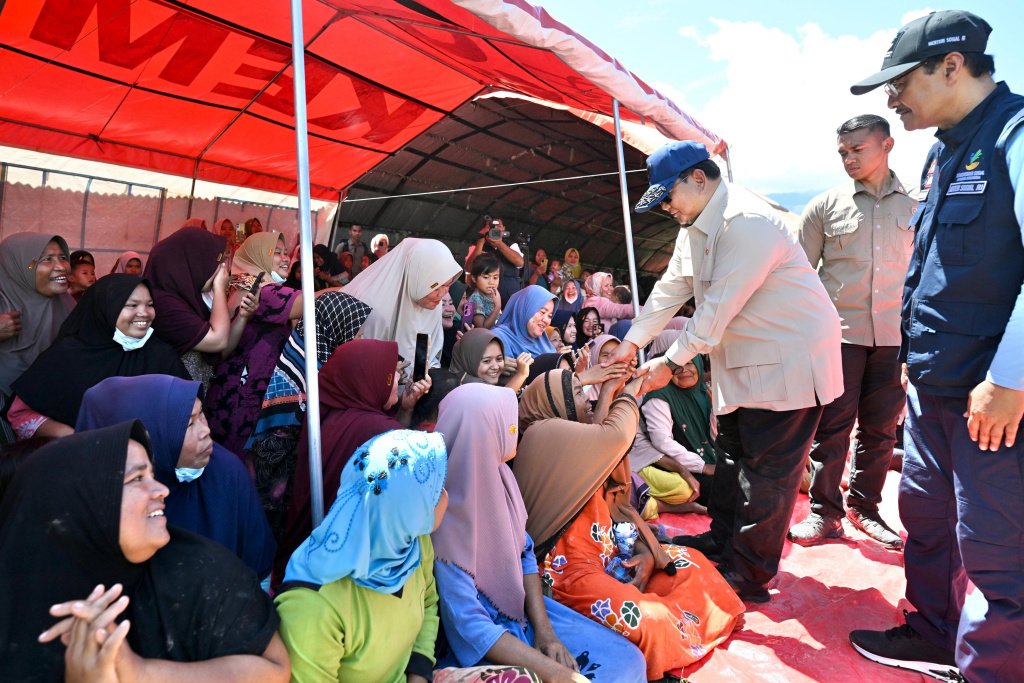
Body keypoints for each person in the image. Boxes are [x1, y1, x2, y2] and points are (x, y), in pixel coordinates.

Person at [845, 11, 1024, 682]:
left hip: (992, 399)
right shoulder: (943, 151)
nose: (893, 99)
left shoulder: (1014, 136)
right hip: (932, 386)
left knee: (997, 553)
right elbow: (934, 269)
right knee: (926, 517)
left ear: (951, 66)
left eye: (901, 82)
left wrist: (1012, 378)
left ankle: (993, 670)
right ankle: (933, 634)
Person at [606, 140, 843, 604]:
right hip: (744, 364)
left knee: (767, 476)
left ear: (698, 179)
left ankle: (750, 574)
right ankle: (723, 540)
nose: (667, 208)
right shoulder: (695, 225)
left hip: (788, 365)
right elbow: (670, 289)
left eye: (668, 197)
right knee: (732, 460)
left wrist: (668, 363)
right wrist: (632, 343)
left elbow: (713, 312)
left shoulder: (745, 222)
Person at [0, 421, 289, 682]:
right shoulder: (17, 602)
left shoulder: (202, 569)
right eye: (137, 479)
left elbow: (274, 670)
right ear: (82, 504)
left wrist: (140, 673)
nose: (162, 489)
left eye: (151, 474)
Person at [431, 384, 647, 682]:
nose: (514, 429)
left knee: (628, 661)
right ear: (483, 432)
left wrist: (546, 633)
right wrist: (554, 672)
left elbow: (525, 553)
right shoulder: (440, 516)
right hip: (485, 643)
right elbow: (470, 627)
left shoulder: (500, 477)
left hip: (524, 611)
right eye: (505, 423)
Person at [787, 115, 917, 550]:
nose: (849, 159)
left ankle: (865, 508)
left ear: (887, 145)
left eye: (858, 149)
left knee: (881, 431)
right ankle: (824, 513)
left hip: (896, 339)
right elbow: (798, 278)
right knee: (832, 429)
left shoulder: (918, 205)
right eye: (843, 152)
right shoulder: (824, 206)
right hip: (838, 338)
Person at [530, 437, 744, 679]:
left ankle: (697, 630)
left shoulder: (609, 450)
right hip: (571, 573)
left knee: (695, 564)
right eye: (579, 396)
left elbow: (622, 510)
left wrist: (644, 553)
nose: (587, 403)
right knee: (647, 617)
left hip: (617, 552)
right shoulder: (547, 443)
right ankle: (677, 645)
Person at [77, 375, 276, 578]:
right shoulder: (100, 501)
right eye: (189, 424)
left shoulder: (226, 472)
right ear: (153, 435)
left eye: (202, 414)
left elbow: (259, 568)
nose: (206, 430)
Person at [277, 338, 431, 587]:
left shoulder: (335, 412)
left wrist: (405, 409)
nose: (399, 380)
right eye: (391, 374)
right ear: (369, 379)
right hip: (344, 568)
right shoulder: (376, 429)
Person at [246, 292, 372, 541]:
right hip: (279, 494)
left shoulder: (312, 360)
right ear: (335, 330)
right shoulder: (307, 373)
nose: (360, 338)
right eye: (356, 331)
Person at [9, 275, 188, 439]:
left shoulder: (161, 355)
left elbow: (189, 409)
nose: (145, 313)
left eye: (149, 304)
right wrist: (73, 438)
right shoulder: (68, 355)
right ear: (105, 308)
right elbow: (19, 413)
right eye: (132, 305)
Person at [204, 231, 302, 456]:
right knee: (235, 462)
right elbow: (314, 303)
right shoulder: (261, 290)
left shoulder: (245, 283)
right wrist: (362, 285)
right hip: (241, 398)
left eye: (286, 252)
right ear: (258, 256)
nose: (285, 258)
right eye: (276, 253)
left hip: (236, 392)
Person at [144, 225, 257, 386]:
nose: (222, 268)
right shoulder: (163, 304)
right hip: (174, 396)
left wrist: (242, 317)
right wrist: (219, 288)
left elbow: (221, 350)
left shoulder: (189, 297)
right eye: (217, 262)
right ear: (194, 262)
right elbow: (218, 341)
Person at [0, 233, 75, 443]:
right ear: (17, 267)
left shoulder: (68, 307)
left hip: (52, 412)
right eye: (47, 259)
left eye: (63, 258)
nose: (61, 267)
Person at [344, 237, 461, 367]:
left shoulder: (433, 304)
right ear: (417, 277)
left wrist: (421, 374)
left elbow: (426, 357)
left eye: (447, 285)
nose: (441, 294)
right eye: (436, 287)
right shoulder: (374, 307)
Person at [630, 356, 717, 518]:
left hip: (711, 459)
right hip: (677, 465)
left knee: (743, 478)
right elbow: (661, 441)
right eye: (676, 366)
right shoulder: (659, 395)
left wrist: (716, 410)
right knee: (721, 488)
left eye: (689, 363)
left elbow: (717, 438)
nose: (684, 370)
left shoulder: (704, 391)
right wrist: (703, 467)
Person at [450, 328, 533, 392]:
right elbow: (499, 403)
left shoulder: (474, 379)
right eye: (486, 361)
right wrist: (521, 375)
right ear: (468, 360)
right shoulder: (467, 389)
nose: (496, 367)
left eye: (499, 359)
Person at [466, 218, 525, 305]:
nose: (495, 228)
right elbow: (469, 268)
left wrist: (499, 244)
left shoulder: (511, 244)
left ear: (503, 229)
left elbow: (520, 263)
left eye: (499, 226)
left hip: (509, 297)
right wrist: (481, 241)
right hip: (484, 299)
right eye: (492, 226)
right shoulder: (478, 245)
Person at [491, 285, 556, 358]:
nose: (546, 320)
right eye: (542, 312)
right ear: (524, 309)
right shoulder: (500, 337)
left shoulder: (542, 341)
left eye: (550, 316)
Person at [467, 253, 503, 329]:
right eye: (486, 277)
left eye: (495, 278)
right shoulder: (476, 298)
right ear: (474, 278)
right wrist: (497, 306)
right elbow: (482, 327)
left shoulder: (493, 296)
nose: (491, 282)